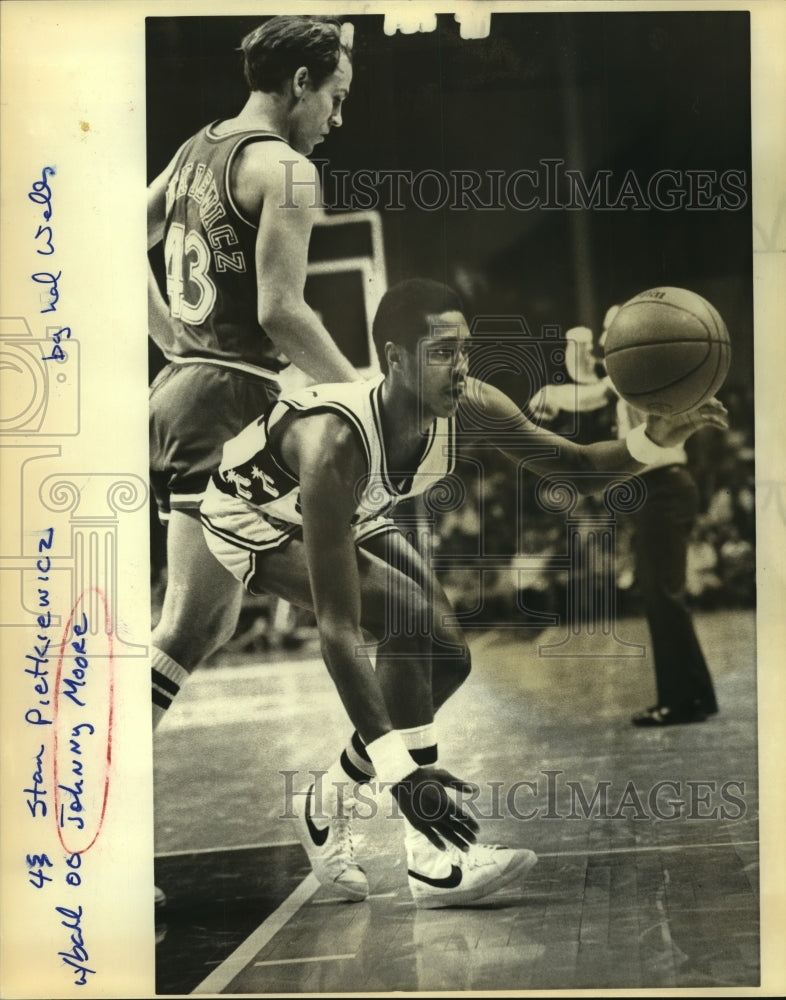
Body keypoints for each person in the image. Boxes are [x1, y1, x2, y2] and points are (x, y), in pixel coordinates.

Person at [199, 279, 728, 907]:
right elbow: (339, 631)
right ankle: (431, 859)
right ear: (395, 359)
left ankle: (330, 797)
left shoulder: (471, 403)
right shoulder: (333, 446)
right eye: (443, 352)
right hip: (254, 519)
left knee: (448, 657)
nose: (462, 367)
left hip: (359, 507)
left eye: (465, 350)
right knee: (403, 620)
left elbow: (578, 469)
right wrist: (404, 776)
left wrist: (657, 440)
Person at [147, 15, 358, 735]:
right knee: (381, 607)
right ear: (301, 82)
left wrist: (169, 337)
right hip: (226, 399)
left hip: (186, 392)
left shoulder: (192, 151)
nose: (338, 116)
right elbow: (282, 314)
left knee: (201, 624)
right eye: (336, 95)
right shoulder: (290, 171)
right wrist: (365, 398)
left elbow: (106, 235)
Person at [531, 308, 720, 726]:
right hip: (664, 489)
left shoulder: (634, 366)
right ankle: (698, 695)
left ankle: (678, 701)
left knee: (662, 597)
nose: (602, 339)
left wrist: (549, 392)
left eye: (608, 330)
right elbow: (589, 378)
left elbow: (588, 394)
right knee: (666, 596)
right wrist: (575, 352)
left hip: (663, 489)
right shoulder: (632, 370)